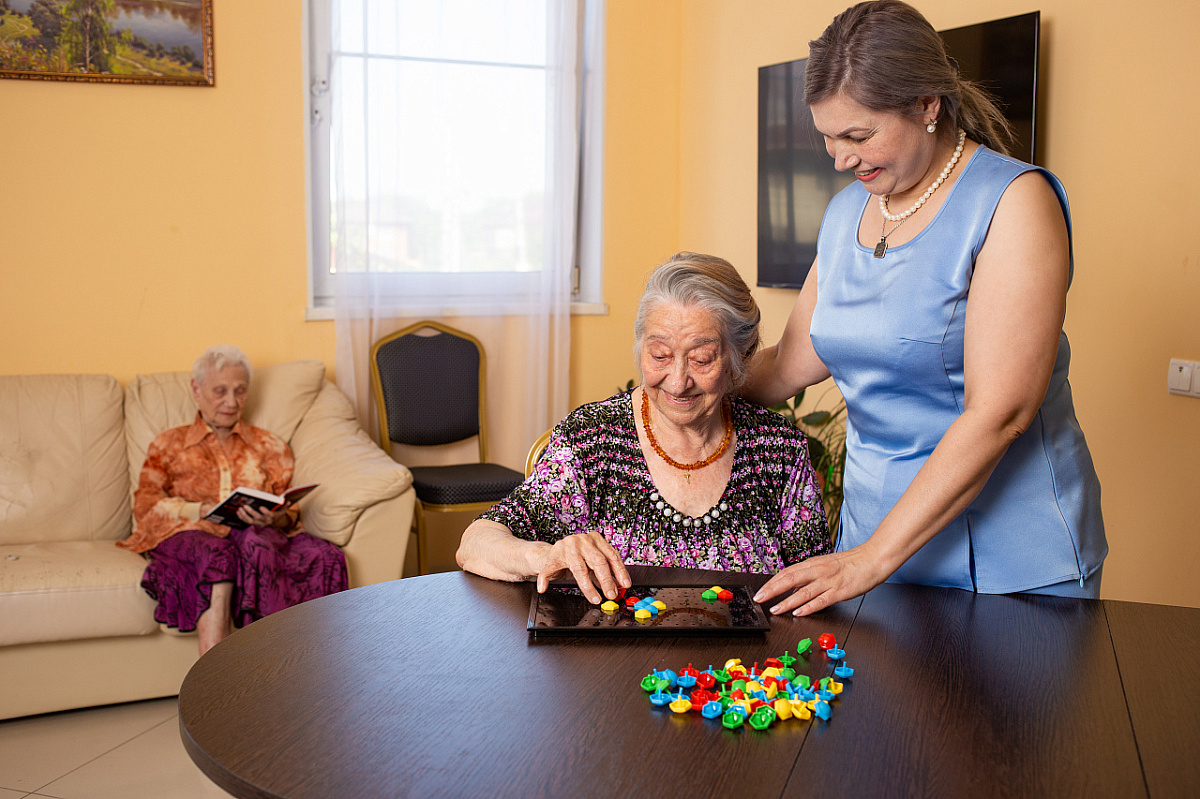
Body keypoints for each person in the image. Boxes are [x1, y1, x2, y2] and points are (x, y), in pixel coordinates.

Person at [744, 0, 1106, 616]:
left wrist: (873, 557)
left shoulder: (1015, 202)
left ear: (926, 105)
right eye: (828, 138)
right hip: (872, 548)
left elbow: (1000, 413)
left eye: (858, 136)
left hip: (1005, 557)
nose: (840, 159)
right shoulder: (841, 217)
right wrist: (687, 379)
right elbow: (785, 369)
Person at [456, 252, 830, 602]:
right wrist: (547, 555)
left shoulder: (778, 450)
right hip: (613, 667)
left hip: (745, 669)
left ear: (739, 359)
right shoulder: (593, 439)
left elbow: (815, 586)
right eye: (660, 355)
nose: (678, 380)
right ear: (640, 348)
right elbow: (476, 543)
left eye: (701, 359)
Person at [119, 345, 348, 654]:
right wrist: (196, 509)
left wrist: (275, 516)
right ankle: (215, 690)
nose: (231, 402)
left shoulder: (268, 445)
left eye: (240, 391)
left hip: (255, 534)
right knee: (217, 554)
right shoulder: (170, 444)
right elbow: (146, 505)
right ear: (196, 390)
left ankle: (307, 666)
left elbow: (287, 507)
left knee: (319, 553)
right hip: (191, 535)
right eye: (220, 391)